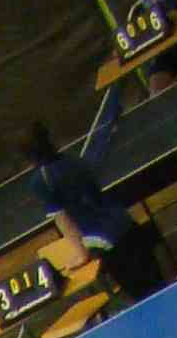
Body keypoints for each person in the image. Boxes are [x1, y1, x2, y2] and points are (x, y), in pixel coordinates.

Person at [22, 116, 166, 303]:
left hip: (108, 242)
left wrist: (82, 254)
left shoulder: (41, 181)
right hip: (127, 224)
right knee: (160, 288)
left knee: (144, 299)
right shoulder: (75, 161)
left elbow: (63, 220)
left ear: (28, 155)